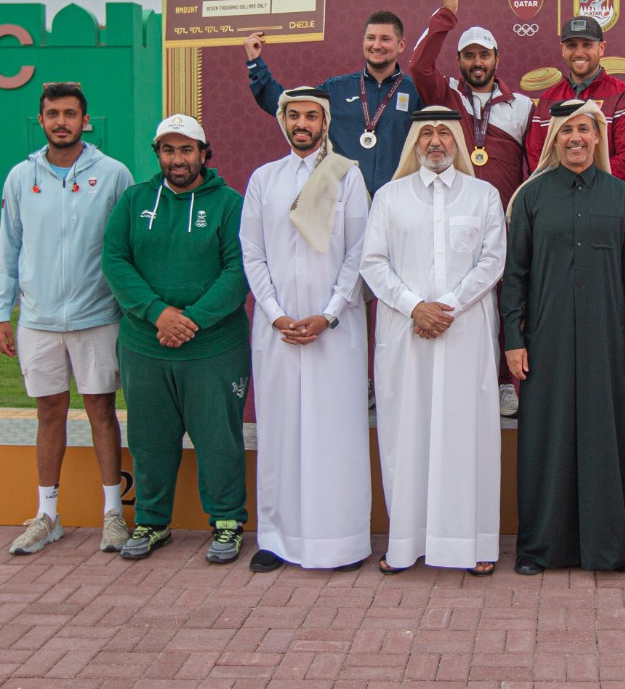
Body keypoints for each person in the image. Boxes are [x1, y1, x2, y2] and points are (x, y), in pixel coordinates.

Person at [501, 98, 625, 575]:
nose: (576, 139)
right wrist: (512, 338)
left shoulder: (619, 196)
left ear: (598, 137)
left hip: (606, 338)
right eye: (566, 131)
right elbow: (514, 275)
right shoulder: (531, 196)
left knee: (604, 437)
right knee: (546, 438)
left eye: (584, 130)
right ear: (554, 139)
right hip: (544, 340)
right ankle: (540, 549)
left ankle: (610, 550)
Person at [360, 106, 506, 576]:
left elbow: (492, 261)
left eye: (445, 132)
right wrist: (413, 306)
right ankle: (405, 542)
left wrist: (445, 306)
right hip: (406, 334)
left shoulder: (483, 195)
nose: (436, 141)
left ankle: (474, 541)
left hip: (465, 333)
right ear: (415, 143)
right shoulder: (389, 196)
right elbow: (373, 262)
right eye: (427, 133)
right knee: (407, 433)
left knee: (468, 434)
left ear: (458, 141)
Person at [102, 114, 251, 564]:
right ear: (158, 155)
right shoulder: (134, 201)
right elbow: (115, 259)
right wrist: (158, 314)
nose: (178, 158)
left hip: (213, 346)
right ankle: (151, 521)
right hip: (145, 344)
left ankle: (227, 520)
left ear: (205, 153)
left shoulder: (228, 203)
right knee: (149, 438)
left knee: (219, 438)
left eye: (187, 149)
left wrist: (193, 320)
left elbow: (238, 269)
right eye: (168, 149)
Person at [0, 82, 134, 556]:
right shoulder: (19, 177)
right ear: (41, 119)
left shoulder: (113, 174)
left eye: (69, 113)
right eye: (52, 113)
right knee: (48, 412)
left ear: (84, 120)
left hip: (98, 317)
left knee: (101, 411)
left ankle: (113, 514)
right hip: (38, 319)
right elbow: (8, 249)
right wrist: (1, 313)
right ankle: (47, 515)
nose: (61, 122)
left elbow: (126, 248)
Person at [239, 87, 371, 573]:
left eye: (310, 116)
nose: (301, 124)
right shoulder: (263, 179)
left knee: (335, 433)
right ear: (283, 121)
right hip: (278, 329)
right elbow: (251, 252)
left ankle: (340, 542)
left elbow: (359, 252)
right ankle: (276, 539)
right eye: (293, 115)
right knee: (280, 433)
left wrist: (330, 312)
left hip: (335, 329)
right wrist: (274, 312)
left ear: (324, 121)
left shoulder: (347, 175)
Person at [408, 0, 533, 417]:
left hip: (505, 219)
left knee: (505, 299)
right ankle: (459, 377)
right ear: (459, 60)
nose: (477, 62)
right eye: (469, 55)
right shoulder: (446, 95)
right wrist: (446, 16)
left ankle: (502, 382)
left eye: (484, 54)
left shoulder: (521, 105)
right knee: (457, 295)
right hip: (454, 217)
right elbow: (420, 66)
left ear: (497, 59)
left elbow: (533, 165)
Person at [244, 13, 420, 196]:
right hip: (344, 199)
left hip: (397, 199)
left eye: (385, 39)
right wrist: (255, 64)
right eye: (370, 38)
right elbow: (285, 105)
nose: (376, 45)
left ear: (401, 45)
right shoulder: (336, 89)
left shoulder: (416, 92)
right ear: (363, 42)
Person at [524, 17, 625, 184]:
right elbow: (536, 157)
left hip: (606, 199)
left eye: (587, 45)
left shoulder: (623, 96)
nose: (579, 53)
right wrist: (565, 186)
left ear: (602, 48)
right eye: (571, 45)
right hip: (558, 200)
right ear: (562, 49)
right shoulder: (547, 100)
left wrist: (584, 184)